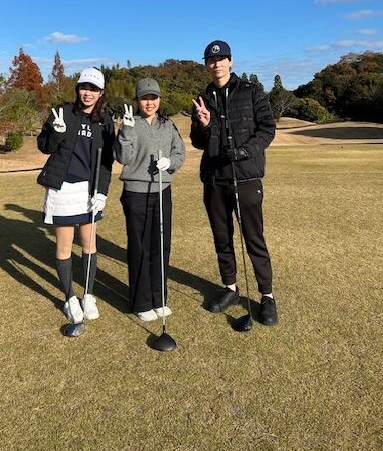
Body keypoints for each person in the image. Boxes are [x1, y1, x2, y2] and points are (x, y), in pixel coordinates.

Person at [190, 40, 278, 326]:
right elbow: (197, 141)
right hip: (214, 178)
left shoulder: (251, 91)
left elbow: (267, 128)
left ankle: (267, 296)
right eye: (211, 60)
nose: (216, 64)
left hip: (246, 176)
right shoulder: (202, 98)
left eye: (221, 59)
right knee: (222, 237)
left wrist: (245, 151)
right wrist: (205, 124)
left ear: (230, 61)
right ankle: (230, 288)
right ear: (207, 64)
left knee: (254, 238)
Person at [37, 67, 115, 324]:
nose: (88, 93)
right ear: (77, 89)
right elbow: (44, 146)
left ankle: (88, 295)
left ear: (101, 93)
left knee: (89, 245)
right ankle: (70, 297)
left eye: (93, 89)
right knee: (64, 245)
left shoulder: (105, 121)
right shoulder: (62, 113)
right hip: (62, 189)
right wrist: (56, 132)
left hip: (88, 191)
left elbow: (107, 162)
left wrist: (102, 192)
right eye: (84, 87)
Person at [114, 78, 185, 321]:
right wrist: (126, 131)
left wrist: (171, 163)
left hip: (162, 189)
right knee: (140, 246)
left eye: (153, 98)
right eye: (144, 98)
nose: (149, 102)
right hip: (136, 192)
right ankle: (141, 302)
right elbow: (123, 158)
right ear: (137, 100)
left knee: (161, 245)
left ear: (159, 100)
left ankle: (159, 298)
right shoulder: (130, 123)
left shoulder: (168, 124)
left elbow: (179, 151)